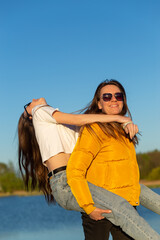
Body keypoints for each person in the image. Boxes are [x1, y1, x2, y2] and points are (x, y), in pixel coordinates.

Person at [18, 88, 160, 240]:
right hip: (66, 182)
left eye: (118, 96)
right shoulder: (40, 112)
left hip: (77, 182)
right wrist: (120, 119)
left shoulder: (63, 126)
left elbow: (92, 125)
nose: (34, 100)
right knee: (122, 208)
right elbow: (80, 120)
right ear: (30, 115)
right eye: (28, 104)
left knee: (136, 188)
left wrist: (124, 124)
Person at [66, 80, 160, 239]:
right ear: (99, 104)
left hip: (126, 206)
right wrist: (88, 207)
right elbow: (75, 171)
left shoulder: (125, 131)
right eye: (107, 97)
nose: (114, 99)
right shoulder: (94, 129)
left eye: (118, 96)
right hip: (100, 208)